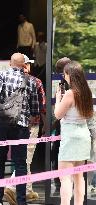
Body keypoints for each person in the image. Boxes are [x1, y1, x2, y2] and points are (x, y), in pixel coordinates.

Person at [0, 53, 39, 205]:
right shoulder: (31, 81)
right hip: (21, 126)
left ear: (11, 63)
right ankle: (21, 201)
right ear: (24, 65)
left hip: (2, 124)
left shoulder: (2, 75)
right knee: (20, 164)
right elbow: (35, 107)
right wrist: (30, 121)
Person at [4, 54, 46, 205]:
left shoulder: (6, 79)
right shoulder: (35, 81)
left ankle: (28, 190)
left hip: (12, 124)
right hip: (30, 124)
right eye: (28, 64)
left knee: (21, 157)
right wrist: (45, 123)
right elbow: (41, 105)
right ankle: (11, 186)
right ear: (25, 65)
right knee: (25, 158)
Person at [54, 61, 93, 205]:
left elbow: (58, 114)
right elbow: (89, 115)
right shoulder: (86, 92)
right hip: (83, 135)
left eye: (65, 74)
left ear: (70, 75)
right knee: (78, 176)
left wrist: (58, 98)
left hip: (70, 136)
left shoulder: (70, 93)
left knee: (64, 177)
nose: (64, 77)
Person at [51, 57, 71, 195]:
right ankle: (60, 182)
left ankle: (61, 183)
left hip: (67, 124)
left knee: (59, 152)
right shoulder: (63, 83)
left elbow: (60, 111)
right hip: (64, 124)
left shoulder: (67, 85)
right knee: (58, 152)